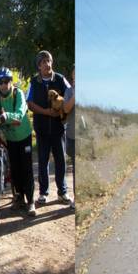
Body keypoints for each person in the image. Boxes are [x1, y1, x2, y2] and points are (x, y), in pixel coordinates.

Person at [26, 50, 72, 206]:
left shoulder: (60, 79)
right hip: (42, 128)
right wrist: (46, 112)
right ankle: (43, 193)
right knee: (43, 160)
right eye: (43, 62)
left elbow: (70, 94)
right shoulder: (34, 82)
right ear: (39, 66)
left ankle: (63, 192)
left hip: (59, 128)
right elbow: (29, 103)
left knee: (61, 160)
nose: (47, 64)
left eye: (49, 61)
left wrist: (61, 110)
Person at [0, 67, 36, 217]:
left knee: (26, 168)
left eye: (7, 81)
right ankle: (19, 198)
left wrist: (6, 116)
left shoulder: (18, 94)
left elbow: (20, 114)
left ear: (11, 81)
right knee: (15, 169)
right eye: (1, 82)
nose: (4, 85)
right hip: (10, 139)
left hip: (24, 137)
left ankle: (31, 202)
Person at [63, 66, 75, 209]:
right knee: (75, 170)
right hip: (72, 135)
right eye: (73, 77)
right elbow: (66, 109)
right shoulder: (69, 91)